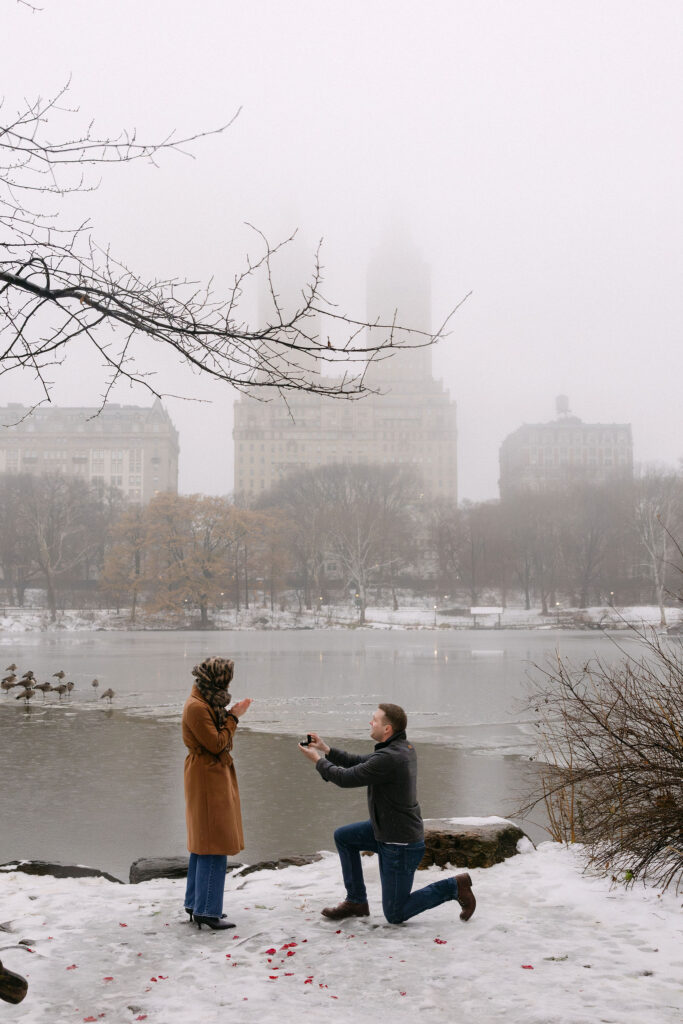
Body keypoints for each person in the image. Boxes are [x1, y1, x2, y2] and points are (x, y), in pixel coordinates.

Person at [298, 702, 476, 924]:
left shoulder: (390, 757)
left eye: (374, 719)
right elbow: (358, 763)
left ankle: (455, 887)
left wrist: (317, 760)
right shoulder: (400, 748)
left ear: (387, 729)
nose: (370, 722)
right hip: (386, 829)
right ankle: (356, 902)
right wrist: (326, 750)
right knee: (344, 837)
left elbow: (346, 778)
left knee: (395, 913)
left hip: (400, 843)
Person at [182, 656, 251, 930]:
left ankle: (196, 904)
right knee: (214, 841)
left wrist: (231, 713)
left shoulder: (206, 700)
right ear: (219, 679)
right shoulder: (198, 707)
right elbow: (217, 743)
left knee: (204, 841)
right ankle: (207, 910)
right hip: (206, 776)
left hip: (209, 774)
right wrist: (235, 716)